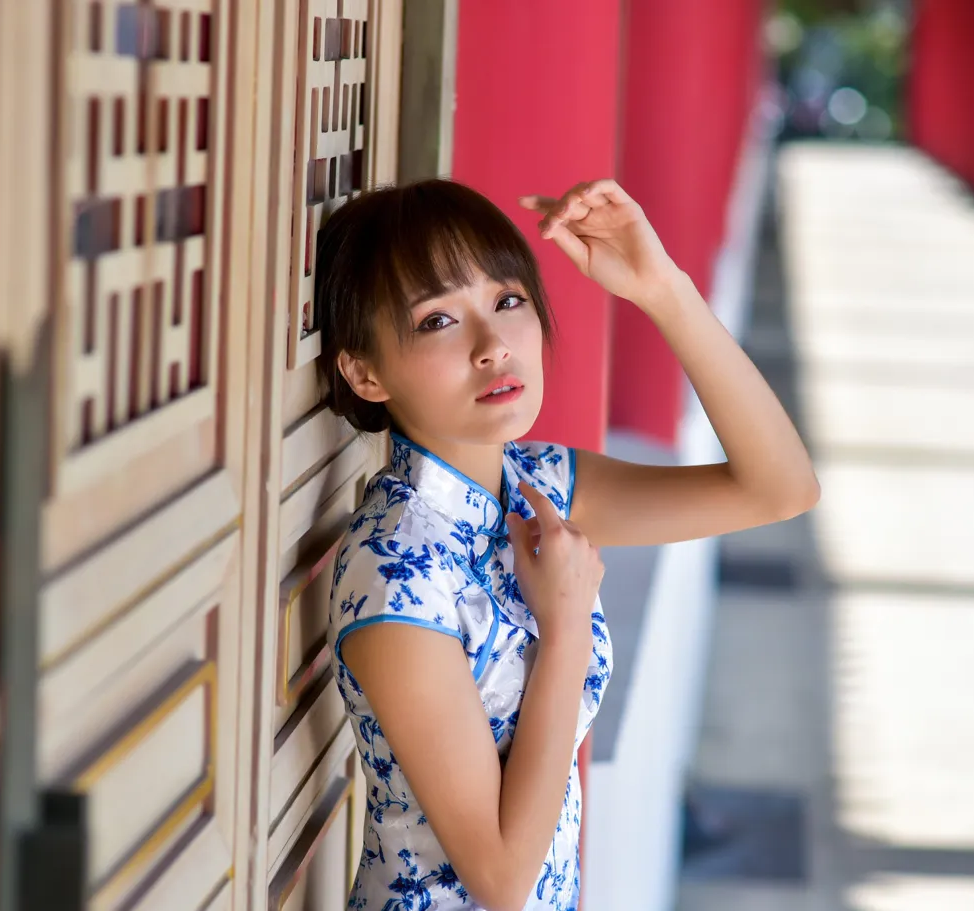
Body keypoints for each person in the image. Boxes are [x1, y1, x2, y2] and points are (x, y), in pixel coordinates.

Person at [316, 177, 818, 911]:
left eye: (506, 301)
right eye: (436, 321)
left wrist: (662, 289)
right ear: (365, 372)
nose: (492, 346)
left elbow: (779, 488)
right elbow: (500, 876)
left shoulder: (536, 485)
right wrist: (567, 625)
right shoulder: (396, 572)